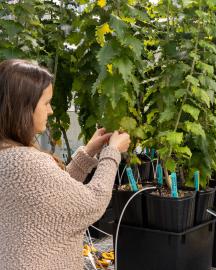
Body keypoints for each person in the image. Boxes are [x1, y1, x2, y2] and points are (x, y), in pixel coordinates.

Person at [0, 59, 131, 270]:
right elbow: (92, 203)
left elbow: (52, 197)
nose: (51, 110)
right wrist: (112, 153)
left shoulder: (7, 153)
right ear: (23, 108)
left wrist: (88, 152)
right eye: (46, 103)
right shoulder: (25, 163)